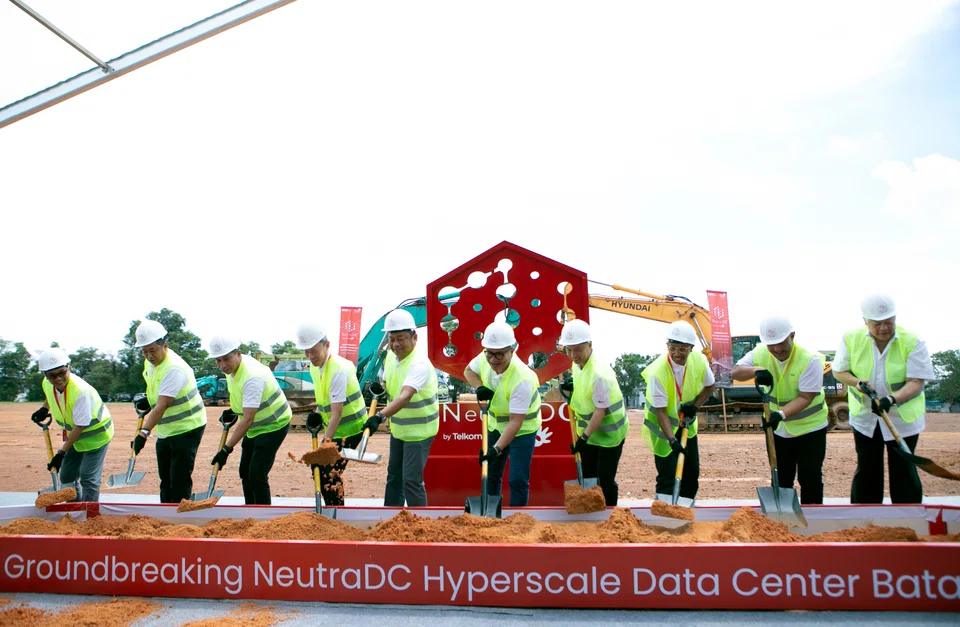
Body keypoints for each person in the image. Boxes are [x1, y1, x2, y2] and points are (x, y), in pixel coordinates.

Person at [832, 294, 935, 504]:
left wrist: (891, 399)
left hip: (902, 419)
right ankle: (865, 520)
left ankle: (908, 519)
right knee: (868, 468)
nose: (884, 328)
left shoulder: (913, 341)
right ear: (865, 321)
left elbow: (916, 382)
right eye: (877, 323)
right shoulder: (851, 338)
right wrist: (857, 382)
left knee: (904, 470)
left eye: (889, 322)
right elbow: (839, 372)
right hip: (866, 419)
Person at [731, 316, 828, 504]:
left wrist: (780, 414)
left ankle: (815, 519)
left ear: (792, 335)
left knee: (810, 477)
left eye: (781, 342)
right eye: (771, 344)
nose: (777, 349)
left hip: (811, 428)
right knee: (782, 476)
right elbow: (735, 372)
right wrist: (756, 371)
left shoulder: (810, 359)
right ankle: (782, 522)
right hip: (778, 430)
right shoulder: (760, 352)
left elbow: (806, 397)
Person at [363, 309, 439, 507]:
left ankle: (419, 526)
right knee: (394, 478)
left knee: (411, 481)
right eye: (392, 339)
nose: (395, 345)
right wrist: (381, 387)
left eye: (401, 339)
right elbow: (391, 383)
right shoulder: (390, 357)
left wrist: (379, 417)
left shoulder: (420, 364)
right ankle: (391, 520)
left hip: (419, 431)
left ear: (415, 337)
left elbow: (405, 396)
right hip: (399, 430)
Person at [463, 320, 542, 507]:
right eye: (490, 353)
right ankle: (491, 516)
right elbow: (468, 370)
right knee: (491, 474)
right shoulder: (485, 357)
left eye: (500, 354)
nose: (493, 359)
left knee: (517, 479)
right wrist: (479, 387)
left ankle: (518, 520)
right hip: (495, 426)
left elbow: (515, 422)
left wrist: (495, 450)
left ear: (512, 350)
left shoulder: (522, 378)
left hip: (522, 431)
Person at [207, 335, 291, 505]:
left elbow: (248, 419)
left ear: (238, 354)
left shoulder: (252, 376)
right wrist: (233, 410)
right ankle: (250, 511)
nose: (222, 365)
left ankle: (262, 519)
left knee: (257, 475)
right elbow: (243, 398)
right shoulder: (234, 370)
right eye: (218, 360)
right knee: (245, 472)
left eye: (226, 359)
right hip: (255, 426)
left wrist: (225, 450)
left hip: (273, 424)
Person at [131, 320, 207, 503]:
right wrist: (148, 401)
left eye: (152, 350)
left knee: (179, 478)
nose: (149, 356)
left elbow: (163, 404)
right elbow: (156, 390)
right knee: (165, 477)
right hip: (167, 429)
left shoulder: (174, 368)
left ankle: (180, 519)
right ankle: (166, 512)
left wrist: (143, 433)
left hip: (188, 427)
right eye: (144, 351)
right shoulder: (151, 363)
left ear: (164, 345)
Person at [640, 321, 716, 503]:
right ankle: (664, 515)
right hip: (663, 429)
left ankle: (684, 512)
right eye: (672, 348)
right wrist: (672, 440)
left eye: (682, 349)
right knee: (668, 474)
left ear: (691, 348)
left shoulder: (699, 360)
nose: (676, 354)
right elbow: (661, 412)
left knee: (691, 473)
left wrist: (695, 407)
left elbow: (710, 386)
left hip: (687, 425)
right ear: (667, 346)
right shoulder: (657, 372)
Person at [295, 322, 368, 506]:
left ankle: (336, 512)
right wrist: (318, 413)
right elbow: (325, 399)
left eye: (314, 351)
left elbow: (337, 414)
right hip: (336, 428)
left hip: (351, 429)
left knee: (328, 471)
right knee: (319, 469)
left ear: (327, 345)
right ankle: (332, 509)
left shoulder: (339, 371)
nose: (310, 357)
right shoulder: (315, 366)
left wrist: (324, 446)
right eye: (306, 352)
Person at [559, 319, 628, 506]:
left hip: (609, 433)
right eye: (569, 350)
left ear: (590, 345)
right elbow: (584, 384)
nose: (573, 355)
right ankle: (591, 516)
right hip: (589, 433)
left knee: (605, 479)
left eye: (578, 349)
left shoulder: (600, 373)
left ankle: (612, 516)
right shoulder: (578, 363)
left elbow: (600, 411)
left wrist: (583, 439)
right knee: (589, 477)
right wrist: (573, 384)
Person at [34, 348, 114, 502]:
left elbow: (80, 426)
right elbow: (52, 394)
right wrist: (44, 408)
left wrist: (61, 454)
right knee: (67, 476)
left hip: (96, 436)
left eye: (62, 373)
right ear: (45, 375)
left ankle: (90, 516)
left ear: (68, 368)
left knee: (88, 477)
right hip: (75, 438)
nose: (58, 379)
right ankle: (75, 510)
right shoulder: (47, 383)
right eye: (52, 375)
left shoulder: (80, 391)